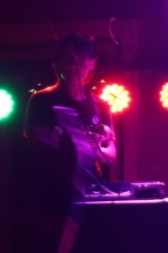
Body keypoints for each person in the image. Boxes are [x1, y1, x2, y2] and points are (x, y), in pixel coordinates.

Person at [25, 32, 117, 192]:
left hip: (91, 189)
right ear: (57, 64)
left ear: (92, 63)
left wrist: (96, 148)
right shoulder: (42, 99)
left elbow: (111, 154)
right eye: (67, 59)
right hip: (53, 190)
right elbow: (34, 142)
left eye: (79, 59)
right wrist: (73, 140)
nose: (72, 66)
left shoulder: (100, 104)